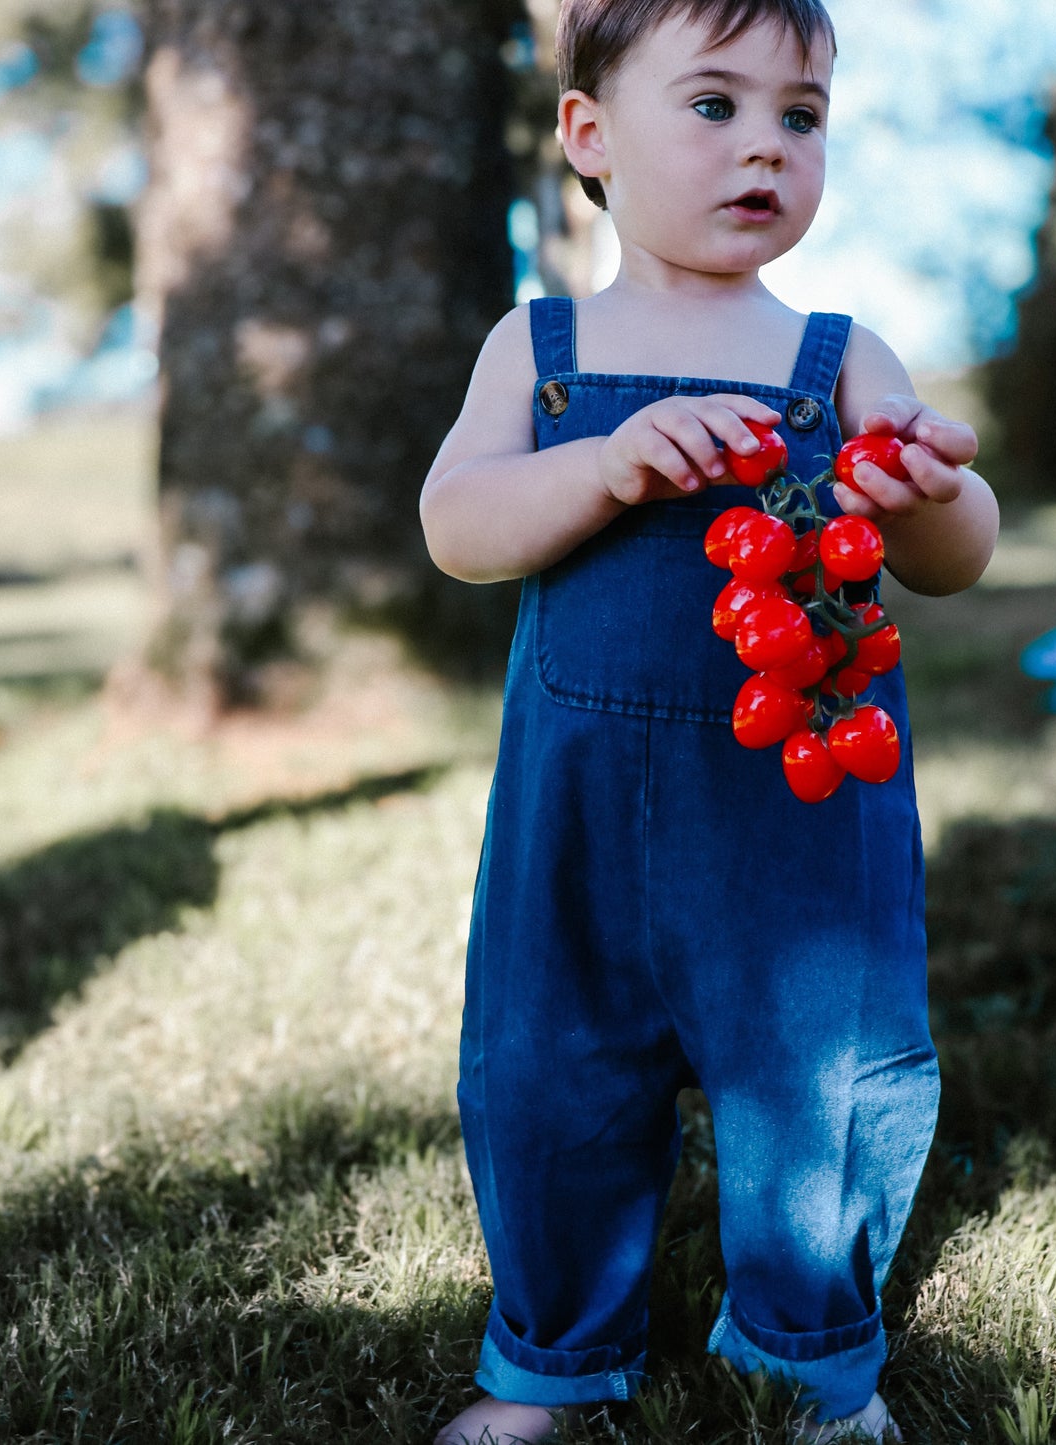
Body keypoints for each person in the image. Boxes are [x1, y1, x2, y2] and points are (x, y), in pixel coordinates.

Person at [419, 0, 998, 1440]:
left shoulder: (834, 355)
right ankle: (549, 1359)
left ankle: (807, 1351)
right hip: (582, 811)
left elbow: (954, 555)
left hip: (801, 805)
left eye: (798, 118)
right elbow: (458, 524)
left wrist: (928, 490)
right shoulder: (540, 346)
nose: (765, 147)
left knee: (822, 1065)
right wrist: (605, 464)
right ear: (589, 136)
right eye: (715, 105)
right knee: (551, 1065)